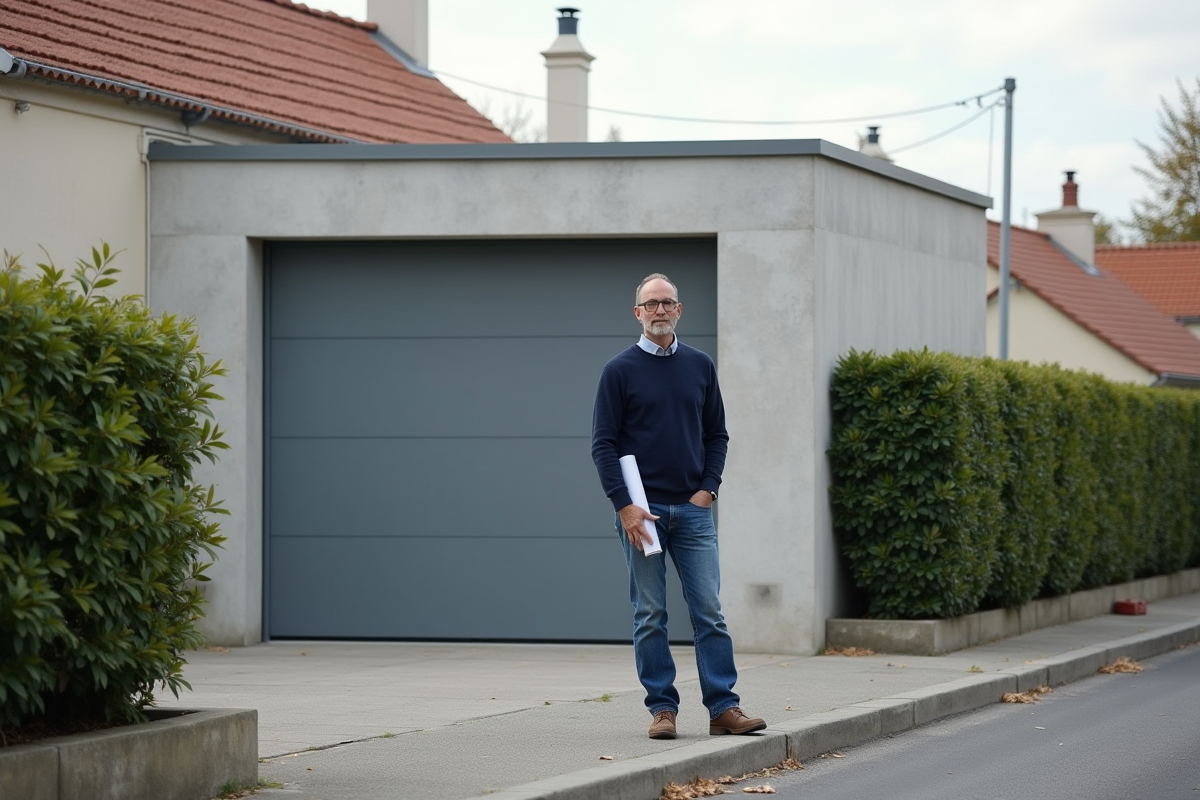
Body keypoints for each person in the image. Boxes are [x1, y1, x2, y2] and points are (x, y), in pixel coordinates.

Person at [591, 272, 765, 741]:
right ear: (638, 313)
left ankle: (723, 708)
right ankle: (662, 710)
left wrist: (708, 489)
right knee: (650, 613)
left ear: (679, 310)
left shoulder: (700, 366)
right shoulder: (618, 371)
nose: (660, 311)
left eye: (667, 303)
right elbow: (603, 445)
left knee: (709, 611)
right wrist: (625, 507)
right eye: (651, 304)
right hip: (642, 515)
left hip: (693, 512)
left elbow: (717, 435)